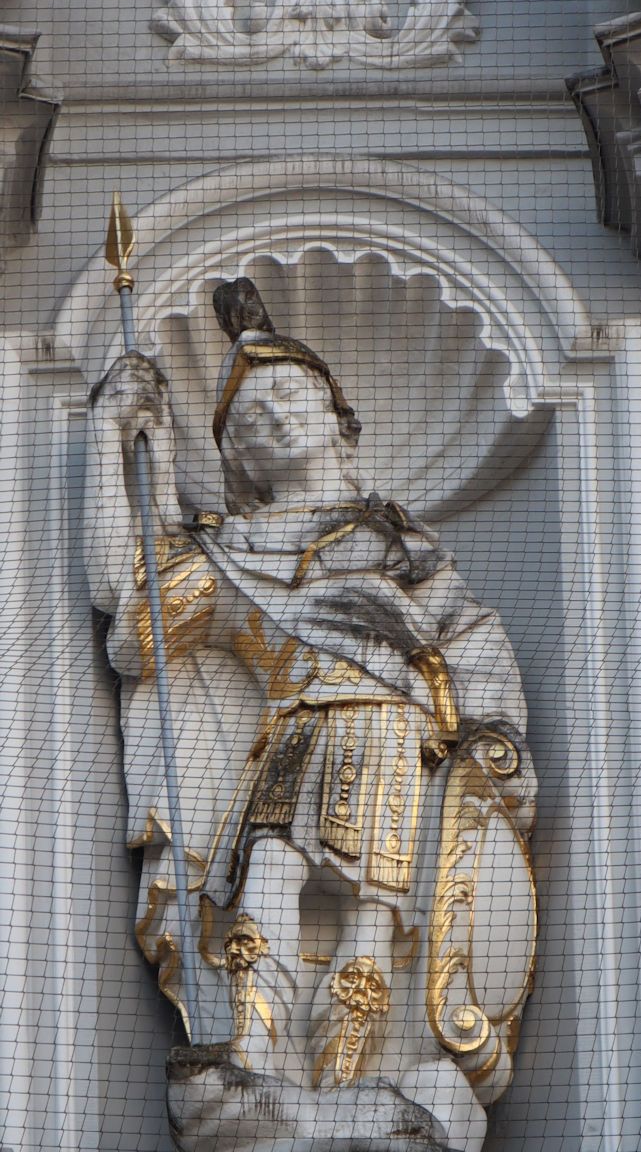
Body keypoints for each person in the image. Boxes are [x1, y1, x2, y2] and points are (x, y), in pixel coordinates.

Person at [84, 278, 537, 1149]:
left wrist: (482, 734)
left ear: (339, 417)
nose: (275, 420)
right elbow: (128, 617)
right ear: (239, 463)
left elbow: (472, 656)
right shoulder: (229, 552)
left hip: (397, 745)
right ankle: (255, 1052)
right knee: (268, 877)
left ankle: (352, 1071)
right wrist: (113, 439)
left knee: (377, 908)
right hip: (291, 735)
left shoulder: (406, 552)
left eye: (289, 396)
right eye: (250, 420)